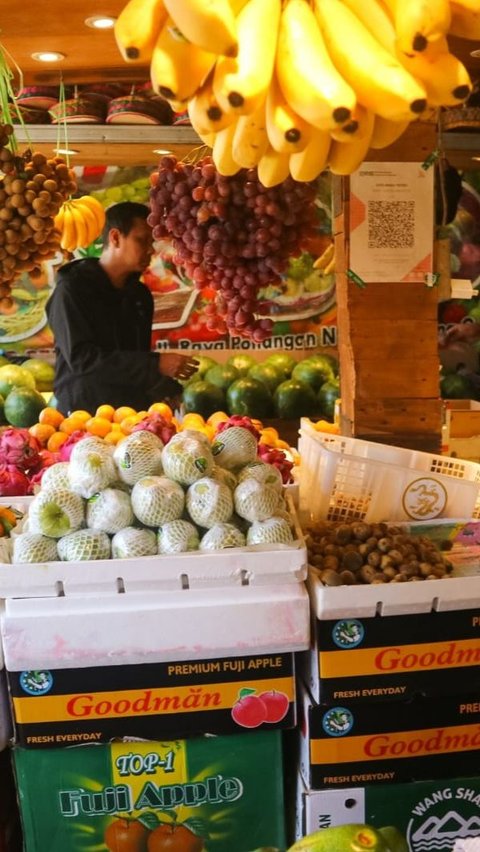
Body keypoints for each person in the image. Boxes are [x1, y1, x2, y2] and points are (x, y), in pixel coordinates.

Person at [46, 201, 198, 415]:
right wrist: (155, 365)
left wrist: (164, 386)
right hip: (84, 415)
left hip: (130, 415)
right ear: (115, 237)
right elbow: (82, 360)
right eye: (142, 240)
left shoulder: (140, 295)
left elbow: (134, 358)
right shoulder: (72, 290)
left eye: (151, 242)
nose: (150, 250)